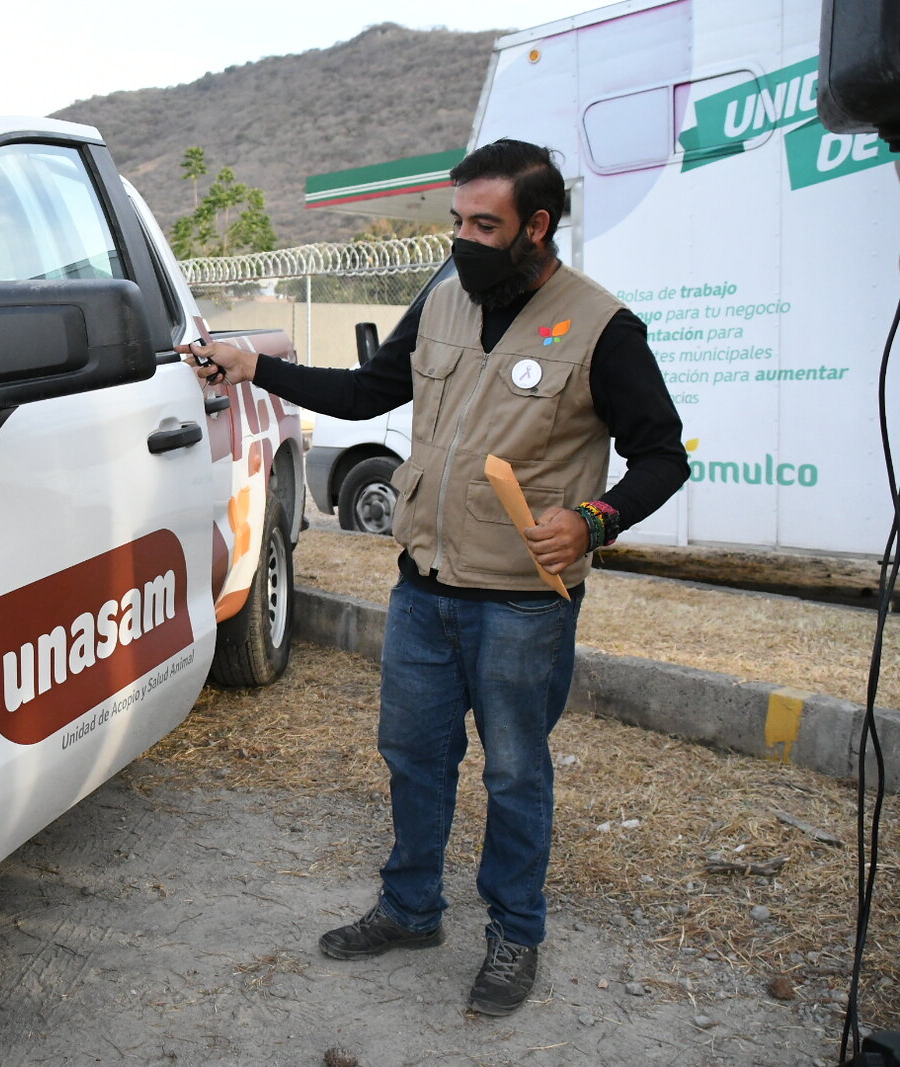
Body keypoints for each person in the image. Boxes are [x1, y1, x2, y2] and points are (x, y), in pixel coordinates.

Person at [180, 139, 689, 1016]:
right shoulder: (445, 300)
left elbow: (662, 457)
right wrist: (256, 367)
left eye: (482, 225)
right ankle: (412, 908)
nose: (462, 240)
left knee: (515, 775)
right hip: (424, 589)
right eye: (456, 221)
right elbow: (364, 390)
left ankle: (514, 933)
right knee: (414, 759)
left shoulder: (603, 327)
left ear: (536, 226)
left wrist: (595, 519)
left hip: (523, 606)